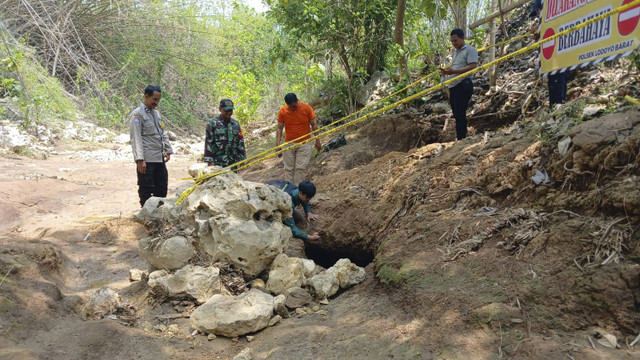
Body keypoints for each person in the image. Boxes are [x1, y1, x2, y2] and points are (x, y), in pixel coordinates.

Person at [129, 85, 174, 207]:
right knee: (146, 189)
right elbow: (136, 138)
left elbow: (162, 133)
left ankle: (159, 215)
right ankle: (146, 215)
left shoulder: (156, 114)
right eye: (154, 99)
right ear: (146, 96)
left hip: (159, 158)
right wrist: (140, 159)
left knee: (162, 187)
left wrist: (168, 150)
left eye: (158, 100)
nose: (156, 103)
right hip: (147, 160)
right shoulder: (137, 115)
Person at [529, 0, 569, 108]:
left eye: (538, 11)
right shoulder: (545, 22)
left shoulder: (556, 16)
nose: (538, 14)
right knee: (554, 81)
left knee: (558, 79)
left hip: (559, 56)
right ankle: (556, 108)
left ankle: (557, 107)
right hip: (551, 57)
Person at [440, 29, 478, 140]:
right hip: (454, 85)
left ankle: (462, 138)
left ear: (462, 38)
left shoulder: (470, 50)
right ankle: (460, 137)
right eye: (452, 41)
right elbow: (457, 66)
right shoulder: (455, 52)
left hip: (463, 83)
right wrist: (447, 72)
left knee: (460, 112)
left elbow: (472, 66)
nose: (454, 43)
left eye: (456, 40)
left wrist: (453, 72)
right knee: (456, 113)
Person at [276, 93, 322, 184]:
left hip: (305, 143)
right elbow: (279, 128)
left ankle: (298, 190)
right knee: (288, 169)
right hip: (289, 144)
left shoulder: (306, 108)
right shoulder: (283, 111)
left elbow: (314, 125)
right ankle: (289, 189)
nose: (293, 108)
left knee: (300, 168)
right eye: (290, 107)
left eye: (294, 106)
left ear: (297, 101)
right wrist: (278, 143)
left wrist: (318, 141)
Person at [203, 98, 246, 168]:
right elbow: (208, 143)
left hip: (232, 163)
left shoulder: (235, 124)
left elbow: (240, 143)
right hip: (217, 164)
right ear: (220, 109)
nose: (229, 112)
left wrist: (242, 159)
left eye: (230, 110)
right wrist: (209, 162)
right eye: (226, 110)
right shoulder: (212, 124)